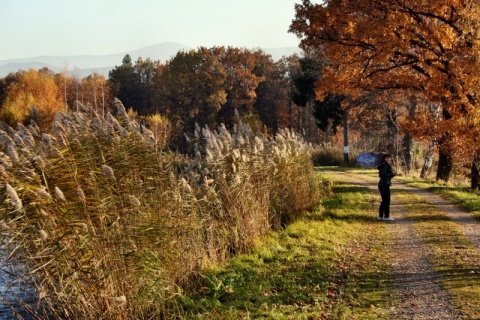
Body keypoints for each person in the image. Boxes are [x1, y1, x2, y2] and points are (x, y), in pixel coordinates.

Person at [377, 154, 396, 221]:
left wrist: (392, 174)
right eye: (387, 158)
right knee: (386, 201)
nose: (388, 159)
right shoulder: (384, 165)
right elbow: (383, 175)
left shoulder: (386, 165)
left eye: (389, 158)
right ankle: (386, 216)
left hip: (383, 184)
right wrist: (392, 174)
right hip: (384, 184)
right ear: (384, 159)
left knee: (384, 201)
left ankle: (381, 216)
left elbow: (383, 175)